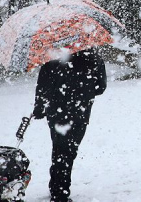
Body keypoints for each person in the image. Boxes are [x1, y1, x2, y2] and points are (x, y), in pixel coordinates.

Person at [33, 49, 106, 202]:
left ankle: (57, 188)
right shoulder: (92, 57)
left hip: (56, 111)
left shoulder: (51, 56)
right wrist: (84, 90)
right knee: (69, 152)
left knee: (59, 149)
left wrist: (39, 108)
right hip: (80, 112)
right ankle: (60, 192)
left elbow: (43, 86)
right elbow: (100, 88)